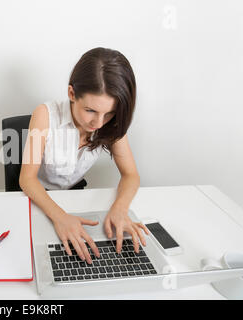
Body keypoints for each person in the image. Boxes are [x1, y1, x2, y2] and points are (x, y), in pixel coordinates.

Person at [19, 47, 149, 265]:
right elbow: (27, 179)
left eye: (108, 113)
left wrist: (119, 209)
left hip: (75, 197)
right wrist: (60, 218)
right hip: (39, 198)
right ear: (72, 94)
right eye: (90, 110)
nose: (98, 123)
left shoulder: (110, 125)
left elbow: (131, 175)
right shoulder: (44, 115)